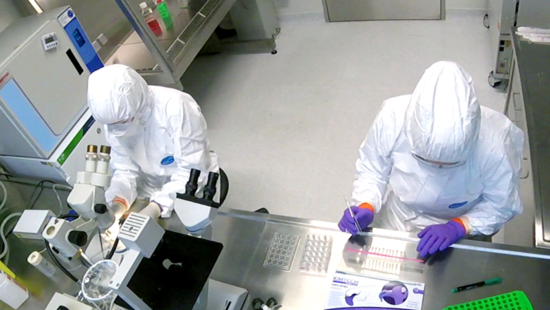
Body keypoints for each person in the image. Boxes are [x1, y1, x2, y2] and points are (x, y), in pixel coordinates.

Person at [338, 61, 524, 257]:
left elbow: (501, 204)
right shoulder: (392, 117)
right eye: (425, 160)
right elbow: (373, 169)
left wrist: (459, 226)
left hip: (465, 226)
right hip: (399, 216)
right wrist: (366, 204)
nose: (437, 168)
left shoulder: (497, 141)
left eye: (449, 164)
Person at [87, 64, 218, 219]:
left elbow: (192, 169)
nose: (117, 129)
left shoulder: (177, 107)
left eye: (124, 121)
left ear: (138, 104)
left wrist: (157, 207)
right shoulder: (113, 117)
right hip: (149, 191)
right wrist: (118, 201)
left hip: (193, 188)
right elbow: (125, 170)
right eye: (112, 125)